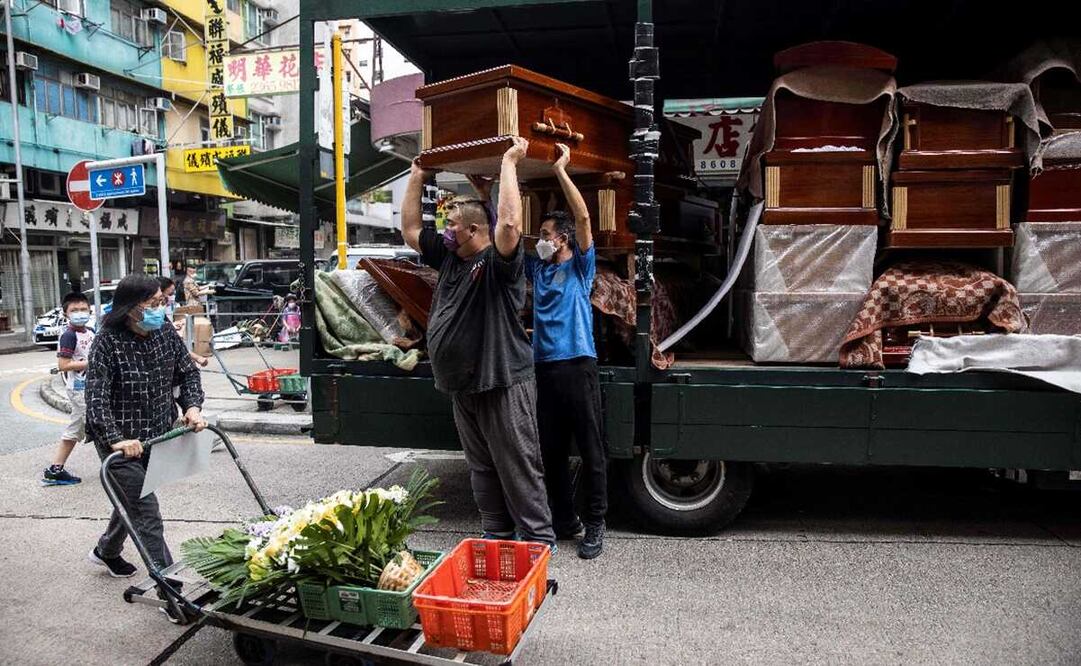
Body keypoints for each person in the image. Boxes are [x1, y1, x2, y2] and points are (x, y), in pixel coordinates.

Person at [401, 138, 556, 548]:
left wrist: (509, 164)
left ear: (473, 230)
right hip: (464, 384)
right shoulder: (452, 257)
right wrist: (417, 175)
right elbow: (411, 230)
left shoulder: (498, 263)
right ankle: (496, 532)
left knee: (518, 463)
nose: (445, 231)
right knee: (482, 466)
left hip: (502, 379)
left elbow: (508, 226)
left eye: (452, 225)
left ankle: (537, 540)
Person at [85, 273, 207, 582]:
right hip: (120, 441)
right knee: (146, 511)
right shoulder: (107, 342)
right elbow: (96, 398)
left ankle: (106, 550)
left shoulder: (163, 330)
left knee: (133, 501)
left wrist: (191, 407)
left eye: (162, 302)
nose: (160, 309)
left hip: (156, 435)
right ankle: (172, 590)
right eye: (153, 303)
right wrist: (116, 439)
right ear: (130, 307)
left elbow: (188, 373)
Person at [525, 143, 608, 559]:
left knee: (591, 451)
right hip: (544, 368)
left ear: (562, 241)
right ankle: (564, 519)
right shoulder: (538, 268)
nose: (538, 242)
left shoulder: (580, 265)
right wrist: (483, 181)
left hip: (578, 365)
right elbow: (501, 224)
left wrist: (561, 170)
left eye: (544, 236)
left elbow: (583, 217)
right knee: (551, 452)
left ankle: (595, 524)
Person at [41, 292, 95, 487]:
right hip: (79, 389)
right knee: (79, 427)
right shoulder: (69, 335)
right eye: (74, 310)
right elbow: (63, 365)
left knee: (93, 425)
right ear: (66, 314)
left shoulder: (89, 331)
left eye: (83, 309)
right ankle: (55, 470)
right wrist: (91, 363)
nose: (80, 313)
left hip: (91, 387)